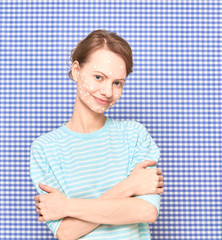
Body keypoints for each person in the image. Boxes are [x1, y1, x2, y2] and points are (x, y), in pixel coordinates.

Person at [30, 29, 164, 240]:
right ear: (76, 71)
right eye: (99, 77)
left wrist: (68, 206)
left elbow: (146, 211)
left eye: (117, 82)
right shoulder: (46, 148)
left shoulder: (134, 135)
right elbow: (66, 232)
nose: (108, 92)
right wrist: (129, 186)